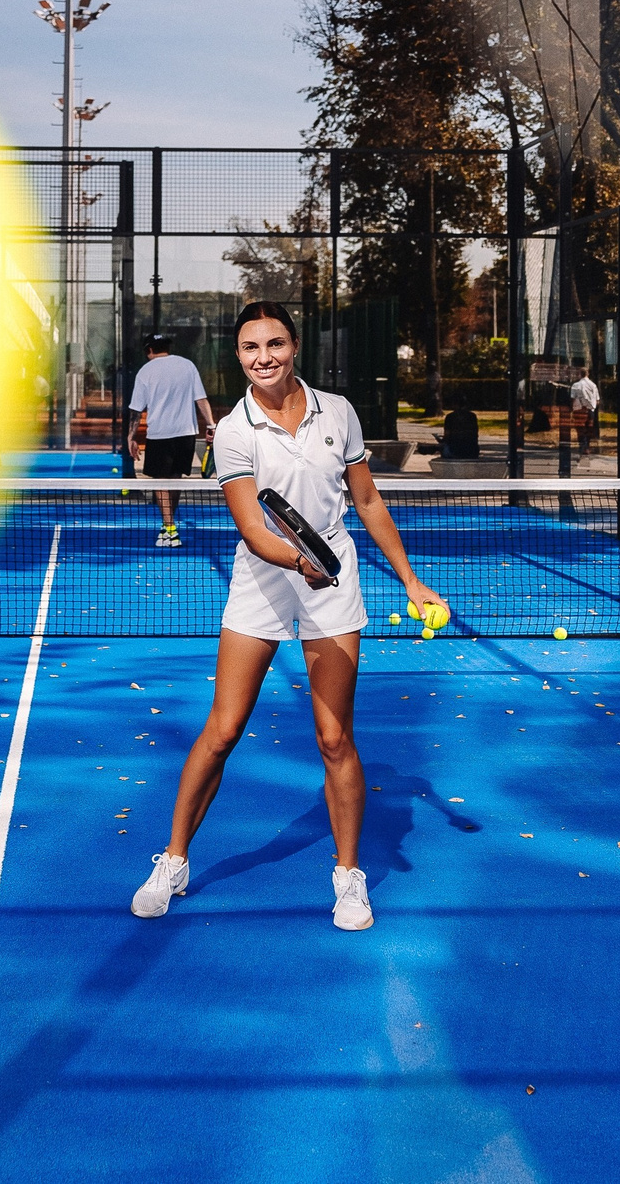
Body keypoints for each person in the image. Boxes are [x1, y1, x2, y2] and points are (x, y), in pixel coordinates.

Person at [129, 301, 445, 932]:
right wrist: (301, 561)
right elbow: (252, 527)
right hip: (265, 579)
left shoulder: (339, 412)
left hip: (334, 578)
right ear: (238, 356)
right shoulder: (233, 430)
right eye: (250, 348)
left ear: (295, 346)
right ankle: (173, 859)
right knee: (222, 730)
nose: (263, 357)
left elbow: (368, 499)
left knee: (334, 738)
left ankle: (348, 878)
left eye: (274, 344)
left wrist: (411, 581)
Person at [126, 332, 214, 546]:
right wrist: (211, 425)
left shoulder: (145, 371)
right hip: (186, 434)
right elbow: (201, 398)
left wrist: (131, 437)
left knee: (161, 482)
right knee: (174, 479)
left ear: (148, 350)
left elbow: (136, 410)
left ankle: (170, 529)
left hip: (160, 435)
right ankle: (168, 526)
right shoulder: (187, 365)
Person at [571, 365, 601, 457]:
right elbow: (597, 400)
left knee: (580, 429)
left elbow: (572, 398)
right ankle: (587, 446)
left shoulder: (576, 385)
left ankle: (582, 446)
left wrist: (573, 408)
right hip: (590, 410)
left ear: (579, 374)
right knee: (589, 429)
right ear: (588, 374)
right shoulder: (593, 385)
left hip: (579, 410)